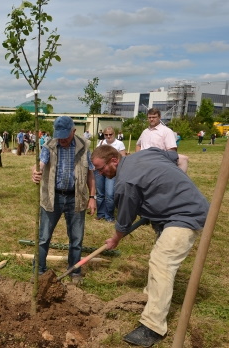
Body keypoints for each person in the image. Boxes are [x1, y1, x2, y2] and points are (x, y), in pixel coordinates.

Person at [91, 145, 208, 347]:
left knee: (162, 263)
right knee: (159, 257)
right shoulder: (147, 153)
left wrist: (115, 239)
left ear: (114, 160)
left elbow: (124, 222)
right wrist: (166, 191)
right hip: (175, 212)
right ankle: (151, 298)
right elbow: (180, 158)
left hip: (185, 215)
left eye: (101, 169)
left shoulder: (125, 182)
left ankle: (152, 327)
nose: (100, 173)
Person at [31, 116, 96, 284]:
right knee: (44, 236)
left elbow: (90, 173)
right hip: (53, 197)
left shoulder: (84, 146)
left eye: (65, 136)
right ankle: (38, 270)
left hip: (76, 198)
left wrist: (92, 197)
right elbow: (41, 164)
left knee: (76, 238)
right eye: (59, 135)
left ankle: (74, 271)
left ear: (73, 131)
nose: (62, 140)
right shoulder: (49, 146)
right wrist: (36, 172)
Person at [94, 126, 126, 222]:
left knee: (109, 194)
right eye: (106, 134)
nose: (108, 136)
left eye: (110, 134)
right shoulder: (100, 143)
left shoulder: (119, 143)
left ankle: (109, 216)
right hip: (100, 171)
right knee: (100, 193)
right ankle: (100, 214)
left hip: (111, 172)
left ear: (114, 134)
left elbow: (123, 157)